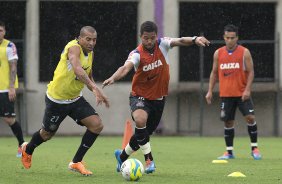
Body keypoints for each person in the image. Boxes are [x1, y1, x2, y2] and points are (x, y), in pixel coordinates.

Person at [102, 21, 210, 173]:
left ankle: (122, 156)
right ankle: (149, 160)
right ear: (141, 37)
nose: (149, 41)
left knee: (143, 133)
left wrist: (194, 39)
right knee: (140, 120)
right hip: (139, 96)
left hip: (158, 99)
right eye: (146, 38)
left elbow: (179, 40)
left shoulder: (163, 44)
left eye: (152, 38)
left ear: (156, 36)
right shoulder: (137, 54)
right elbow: (125, 68)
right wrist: (114, 77)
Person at [21, 26, 110, 176]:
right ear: (80, 38)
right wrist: (94, 88)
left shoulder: (91, 53)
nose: (91, 43)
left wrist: (97, 91)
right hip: (57, 100)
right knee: (47, 134)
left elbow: (88, 73)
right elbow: (77, 69)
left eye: (94, 40)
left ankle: (76, 162)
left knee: (96, 125)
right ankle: (28, 149)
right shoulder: (73, 48)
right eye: (88, 39)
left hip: (75, 99)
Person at [205, 24, 262, 160]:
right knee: (228, 122)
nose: (229, 40)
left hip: (242, 94)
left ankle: (255, 148)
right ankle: (229, 152)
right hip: (226, 95)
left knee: (250, 118)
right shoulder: (218, 53)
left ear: (237, 38)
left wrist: (247, 89)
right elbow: (214, 73)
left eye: (232, 38)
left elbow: (251, 72)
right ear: (223, 38)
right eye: (227, 37)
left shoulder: (244, 52)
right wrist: (209, 91)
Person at [0, 21, 25, 157]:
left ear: (4, 32)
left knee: (9, 119)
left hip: (4, 89)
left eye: (1, 30)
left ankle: (22, 144)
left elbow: (13, 67)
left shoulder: (9, 46)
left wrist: (11, 87)